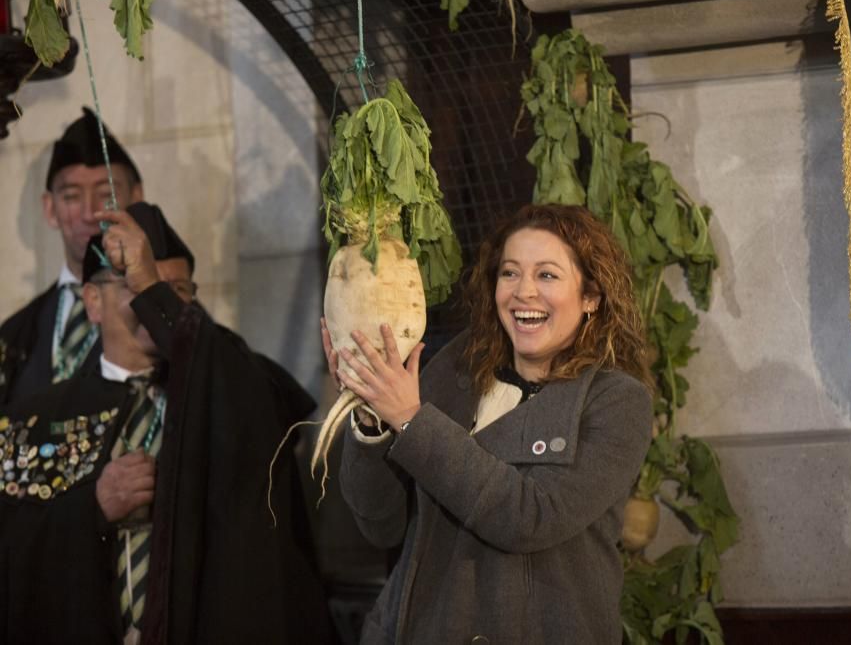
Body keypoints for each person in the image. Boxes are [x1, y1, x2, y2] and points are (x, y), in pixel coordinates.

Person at [0, 202, 332, 644]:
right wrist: (90, 508)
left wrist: (149, 286)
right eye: (131, 284)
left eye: (174, 288)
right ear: (93, 303)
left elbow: (251, 403)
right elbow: (13, 551)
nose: (155, 301)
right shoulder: (33, 418)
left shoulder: (230, 388)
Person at [330, 203, 654, 644]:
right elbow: (380, 524)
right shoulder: (452, 370)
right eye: (510, 273)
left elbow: (531, 518)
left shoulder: (615, 402)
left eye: (547, 275)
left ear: (591, 297)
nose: (523, 292)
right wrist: (371, 417)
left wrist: (409, 417)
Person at [0, 107, 143, 404]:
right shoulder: (14, 335)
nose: (90, 213)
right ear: (50, 209)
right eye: (71, 197)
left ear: (137, 198)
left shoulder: (164, 317)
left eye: (106, 194)